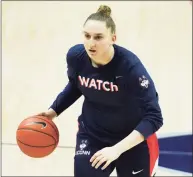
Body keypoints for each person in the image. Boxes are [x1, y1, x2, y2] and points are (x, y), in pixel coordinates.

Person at [37, 5, 163, 177]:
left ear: (113, 38)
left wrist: (116, 150)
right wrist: (53, 111)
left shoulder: (131, 69)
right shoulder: (76, 57)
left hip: (133, 141)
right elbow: (76, 85)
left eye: (98, 37)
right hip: (93, 135)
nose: (91, 43)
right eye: (87, 36)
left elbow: (154, 118)